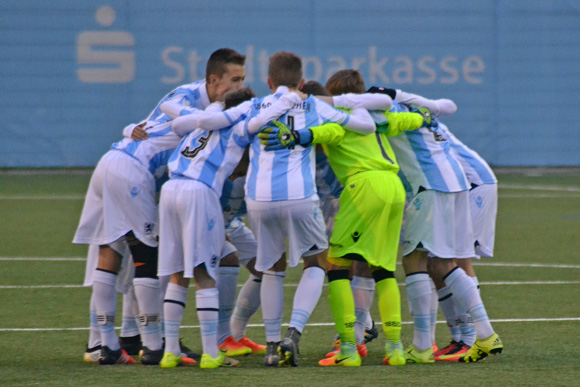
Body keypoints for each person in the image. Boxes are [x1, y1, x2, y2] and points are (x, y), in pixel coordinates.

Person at [73, 48, 247, 365]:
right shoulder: (194, 101)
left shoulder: (202, 104)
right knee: (148, 259)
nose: (239, 87)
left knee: (110, 249)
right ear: (213, 80)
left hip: (114, 161)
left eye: (242, 80)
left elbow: (154, 123)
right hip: (134, 172)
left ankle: (105, 344)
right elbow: (173, 123)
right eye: (234, 79)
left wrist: (130, 128)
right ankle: (154, 345)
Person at [258, 69, 436, 367]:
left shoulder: (337, 114)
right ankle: (395, 349)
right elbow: (403, 120)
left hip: (363, 186)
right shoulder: (376, 116)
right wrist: (423, 117)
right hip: (394, 187)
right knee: (383, 269)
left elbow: (330, 132)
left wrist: (298, 136)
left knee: (337, 266)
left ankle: (348, 350)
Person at [243, 52, 394, 368]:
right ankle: (293, 335)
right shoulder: (315, 105)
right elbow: (365, 126)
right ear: (301, 82)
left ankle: (271, 347)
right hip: (300, 195)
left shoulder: (255, 105)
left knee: (272, 267)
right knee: (317, 262)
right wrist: (333, 102)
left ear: (269, 82)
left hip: (257, 198)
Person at [369, 87, 504, 363]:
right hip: (456, 184)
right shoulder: (419, 108)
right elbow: (447, 104)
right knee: (442, 262)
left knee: (415, 260)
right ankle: (483, 335)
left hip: (434, 186)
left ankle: (426, 345)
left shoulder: (384, 113)